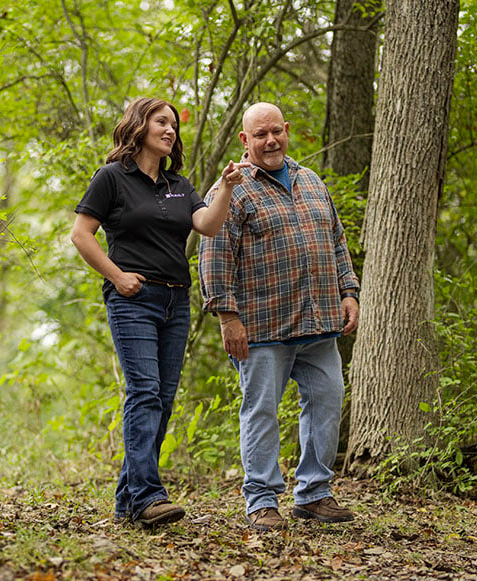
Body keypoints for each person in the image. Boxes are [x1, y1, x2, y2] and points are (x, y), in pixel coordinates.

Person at [71, 97, 244, 527]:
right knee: (145, 392)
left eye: (174, 125)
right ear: (138, 126)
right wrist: (117, 276)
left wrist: (226, 186)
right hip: (134, 300)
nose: (170, 129)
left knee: (162, 400)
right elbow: (81, 235)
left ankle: (128, 503)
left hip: (175, 301)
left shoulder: (180, 185)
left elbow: (208, 226)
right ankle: (149, 496)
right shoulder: (112, 178)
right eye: (161, 121)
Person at [197, 102, 360, 532]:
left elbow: (337, 240)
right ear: (244, 141)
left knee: (328, 399)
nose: (270, 140)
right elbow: (214, 256)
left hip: (319, 321)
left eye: (276, 131)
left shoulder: (311, 181)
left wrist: (348, 291)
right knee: (261, 410)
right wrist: (227, 317)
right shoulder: (231, 190)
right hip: (261, 327)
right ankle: (262, 499)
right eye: (260, 134)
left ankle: (314, 494)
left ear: (286, 131)